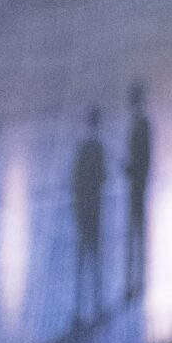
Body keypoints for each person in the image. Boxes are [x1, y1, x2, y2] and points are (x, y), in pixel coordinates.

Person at [71, 107, 107, 326]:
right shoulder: (98, 148)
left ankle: (79, 308)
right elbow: (103, 178)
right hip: (94, 211)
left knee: (83, 261)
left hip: (84, 212)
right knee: (94, 260)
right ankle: (96, 305)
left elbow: (75, 181)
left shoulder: (83, 148)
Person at [123, 81, 152, 303]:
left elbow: (141, 161)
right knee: (136, 235)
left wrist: (128, 169)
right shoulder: (141, 124)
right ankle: (135, 281)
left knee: (136, 234)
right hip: (138, 186)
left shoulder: (140, 126)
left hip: (137, 188)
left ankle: (136, 281)